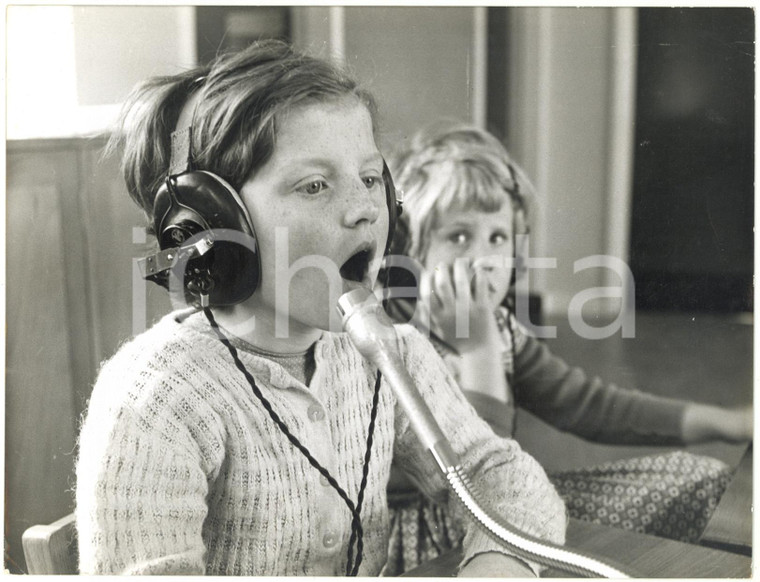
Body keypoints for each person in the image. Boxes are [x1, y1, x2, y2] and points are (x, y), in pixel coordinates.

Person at [74, 42, 568, 576]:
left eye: (371, 179)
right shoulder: (155, 399)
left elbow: (499, 471)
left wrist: (497, 565)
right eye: (314, 185)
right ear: (216, 228)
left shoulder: (391, 355)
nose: (362, 210)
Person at [381, 121, 753, 575]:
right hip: (438, 539)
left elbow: (588, 405)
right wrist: (477, 349)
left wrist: (729, 423)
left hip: (509, 510)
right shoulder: (393, 342)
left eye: (497, 237)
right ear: (408, 251)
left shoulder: (498, 327)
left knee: (701, 477)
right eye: (459, 237)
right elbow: (478, 481)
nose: (486, 260)